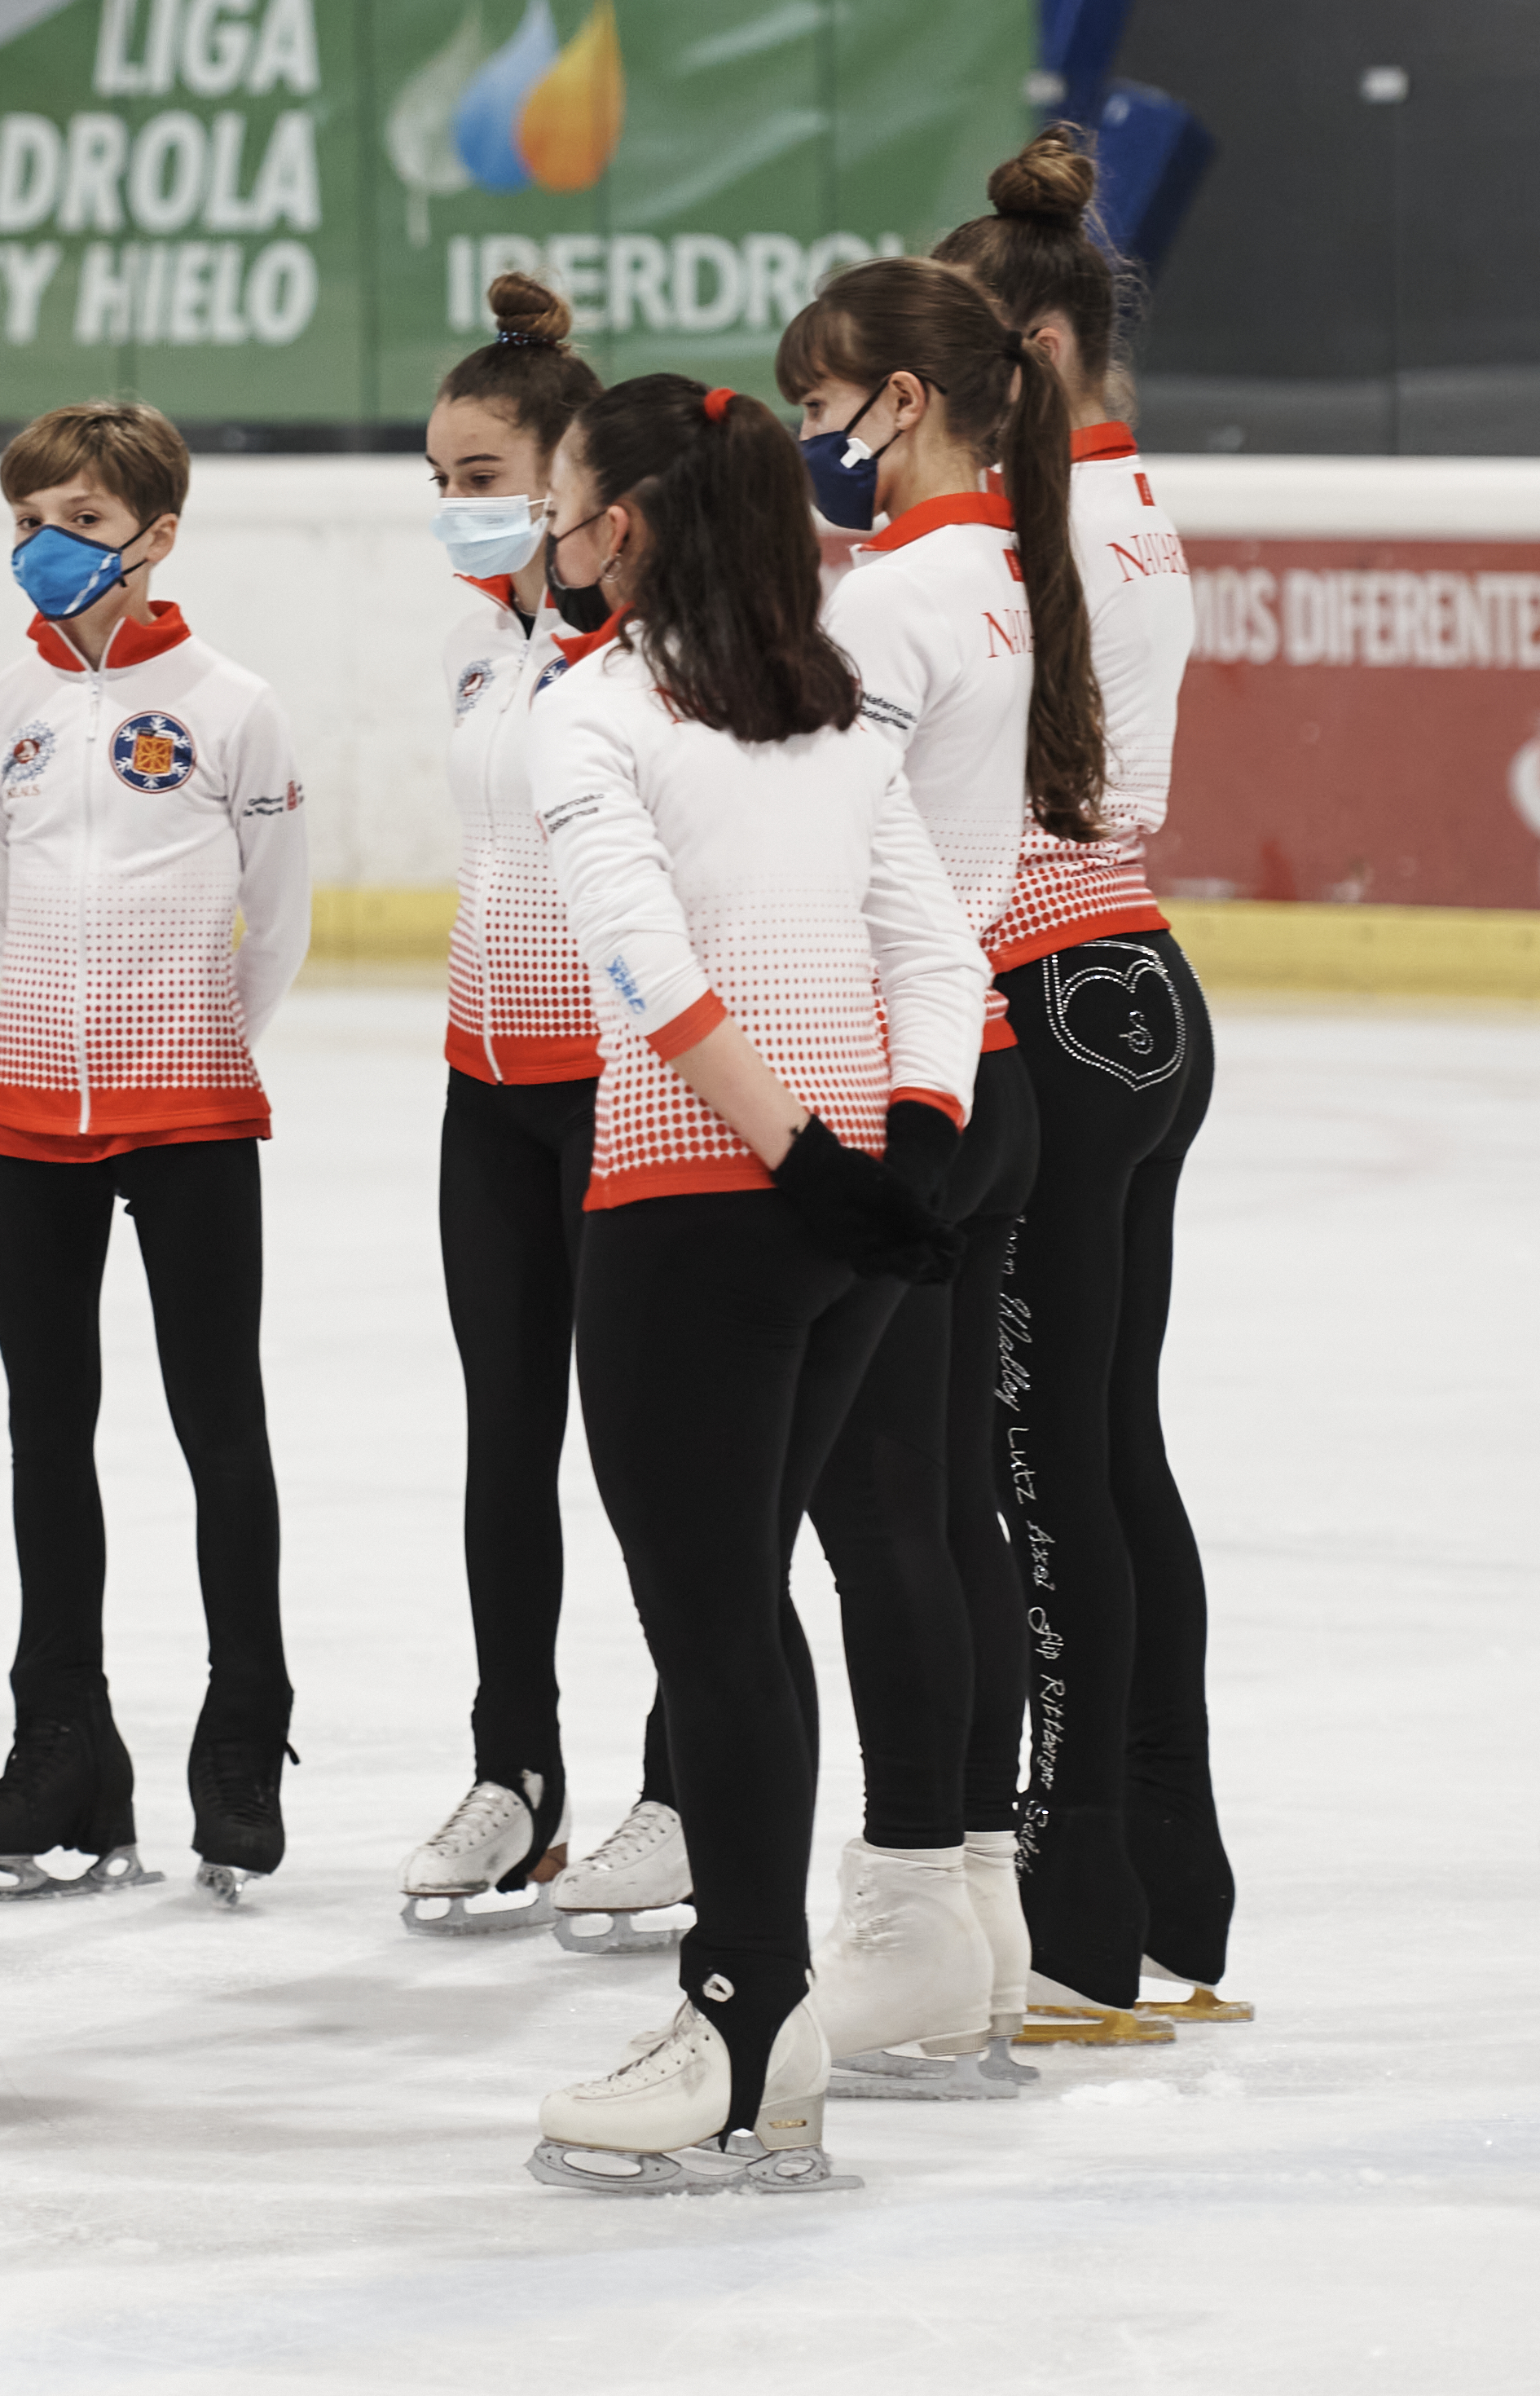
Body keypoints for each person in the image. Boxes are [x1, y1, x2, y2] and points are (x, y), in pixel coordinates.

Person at [518, 375, 984, 2199]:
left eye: (559, 499)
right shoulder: (835, 715)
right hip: (841, 1221)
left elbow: (640, 961)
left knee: (712, 1622)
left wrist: (798, 1154)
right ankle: (767, 2036)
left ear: (622, 523)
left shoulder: (597, 715)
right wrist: (906, 1153)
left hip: (697, 1211)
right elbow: (933, 957)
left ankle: (736, 2025)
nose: (549, 534)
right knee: (751, 1612)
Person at [771, 251, 1104, 2097]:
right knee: (943, 1505)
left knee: (881, 1512)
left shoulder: (897, 601)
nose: (815, 438)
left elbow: (831, 854)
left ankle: (910, 1918)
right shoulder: (1001, 577)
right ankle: (969, 1898)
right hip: (978, 1068)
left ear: (900, 402)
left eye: (823, 405)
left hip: (902, 1080)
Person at [935, 129, 1234, 2039]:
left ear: (1028, 353)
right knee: (1111, 1453)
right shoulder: (1138, 509)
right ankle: (1173, 1900)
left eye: (946, 373)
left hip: (1046, 984)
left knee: (1046, 1475)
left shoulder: (1038, 538)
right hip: (1133, 975)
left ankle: (1079, 1922)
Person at [0, 399, 313, 1907]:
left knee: (219, 1426)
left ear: (157, 538)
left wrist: (198, 1050)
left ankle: (243, 1728)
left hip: (194, 1116)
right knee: (48, 1431)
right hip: (32, 1118)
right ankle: (64, 1744)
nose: (48, 545)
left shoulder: (234, 708)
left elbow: (275, 921)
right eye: (28, 516)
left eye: (83, 521)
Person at [389, 272, 613, 1939]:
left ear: (565, 471)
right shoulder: (482, 661)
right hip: (490, 1093)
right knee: (501, 1443)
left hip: (632, 1099)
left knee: (670, 1459)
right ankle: (515, 1772)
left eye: (478, 475)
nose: (455, 506)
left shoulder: (658, 653)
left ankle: (684, 1781)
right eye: (438, 480)